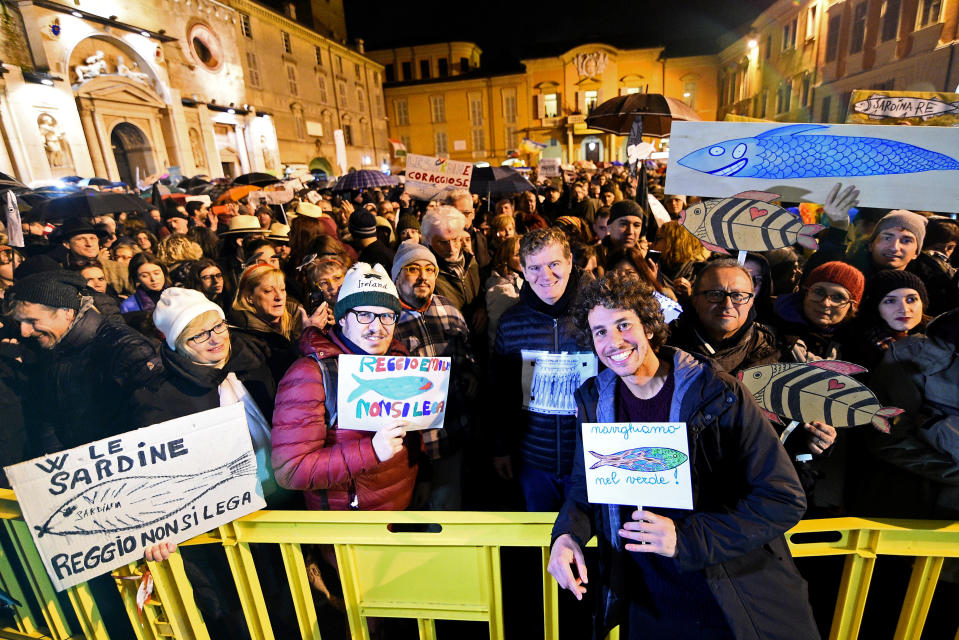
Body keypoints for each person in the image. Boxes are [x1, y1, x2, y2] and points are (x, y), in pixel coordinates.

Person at [548, 272, 818, 640]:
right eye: (600, 332)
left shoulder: (718, 393)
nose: (613, 342)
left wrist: (686, 540)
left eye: (623, 324)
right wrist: (567, 535)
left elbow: (783, 499)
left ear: (649, 326)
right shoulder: (594, 399)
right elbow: (587, 487)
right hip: (648, 601)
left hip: (727, 593)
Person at [271, 262, 418, 511]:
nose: (377, 327)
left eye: (386, 316)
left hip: (399, 510)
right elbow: (291, 471)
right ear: (341, 318)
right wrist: (371, 451)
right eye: (364, 315)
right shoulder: (310, 374)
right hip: (350, 526)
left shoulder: (398, 357)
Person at [4, 270, 162, 452]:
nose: (25, 332)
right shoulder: (51, 347)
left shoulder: (124, 347)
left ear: (67, 312)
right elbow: (53, 414)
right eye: (20, 322)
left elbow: (151, 420)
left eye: (32, 321)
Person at [491, 228, 585, 510]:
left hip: (588, 460)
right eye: (535, 267)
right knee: (542, 542)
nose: (545, 276)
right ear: (522, 269)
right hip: (534, 461)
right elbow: (501, 393)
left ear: (569, 262)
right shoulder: (511, 323)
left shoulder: (595, 316)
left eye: (554, 264)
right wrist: (501, 448)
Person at [391, 240, 478, 509]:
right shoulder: (385, 319)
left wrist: (470, 372)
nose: (423, 277)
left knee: (445, 515)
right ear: (396, 276)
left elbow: (467, 355)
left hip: (451, 436)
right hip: (405, 447)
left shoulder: (449, 310)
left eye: (430, 270)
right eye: (413, 269)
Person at [229, 263, 327, 382]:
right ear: (250, 297)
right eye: (268, 291)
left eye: (282, 289)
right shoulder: (240, 337)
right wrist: (308, 336)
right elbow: (279, 376)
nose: (279, 297)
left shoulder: (298, 318)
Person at [772, 261, 864, 362]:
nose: (826, 303)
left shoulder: (854, 347)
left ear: (852, 307)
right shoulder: (770, 326)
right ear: (805, 293)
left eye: (838, 297)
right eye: (819, 292)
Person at [844, 269, 929, 371]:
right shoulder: (858, 351)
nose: (904, 309)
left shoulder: (937, 338)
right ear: (875, 307)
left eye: (911, 299)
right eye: (890, 301)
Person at [484, 235, 524, 352]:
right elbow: (494, 333)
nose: (524, 257)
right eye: (517, 254)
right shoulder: (500, 290)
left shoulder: (520, 279)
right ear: (505, 259)